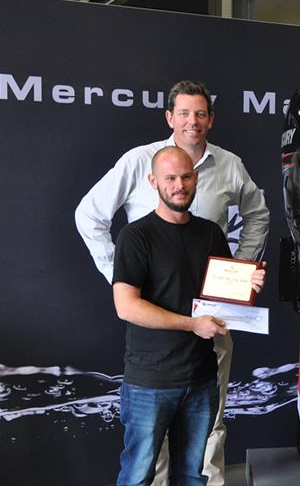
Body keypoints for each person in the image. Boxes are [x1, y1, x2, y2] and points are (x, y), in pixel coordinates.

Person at [76, 80, 270, 486]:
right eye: (183, 113)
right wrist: (122, 276)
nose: (192, 122)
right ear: (169, 117)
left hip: (211, 318)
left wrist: (240, 274)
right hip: (158, 332)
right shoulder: (139, 163)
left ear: (210, 119)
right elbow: (89, 216)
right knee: (148, 449)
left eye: (200, 113)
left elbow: (258, 215)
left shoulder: (228, 166)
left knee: (209, 425)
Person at [113, 146, 266, 485]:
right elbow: (126, 306)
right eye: (170, 178)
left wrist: (248, 284)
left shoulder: (211, 233)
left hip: (200, 378)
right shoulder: (135, 237)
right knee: (137, 476)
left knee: (192, 475)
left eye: (185, 176)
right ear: (154, 182)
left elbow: (221, 301)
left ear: (196, 178)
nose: (179, 184)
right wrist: (192, 324)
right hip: (150, 381)